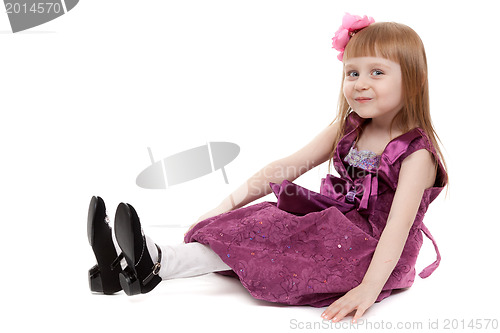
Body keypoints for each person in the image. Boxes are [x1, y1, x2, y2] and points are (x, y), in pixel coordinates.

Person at [87, 13, 448, 323]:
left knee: (283, 242)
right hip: (334, 222)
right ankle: (126, 268)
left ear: (413, 80)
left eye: (377, 72)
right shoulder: (350, 126)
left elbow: (397, 229)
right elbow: (287, 166)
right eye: (352, 73)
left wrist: (369, 289)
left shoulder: (416, 155)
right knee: (262, 218)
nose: (360, 84)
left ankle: (156, 263)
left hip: (375, 251)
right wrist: (224, 206)